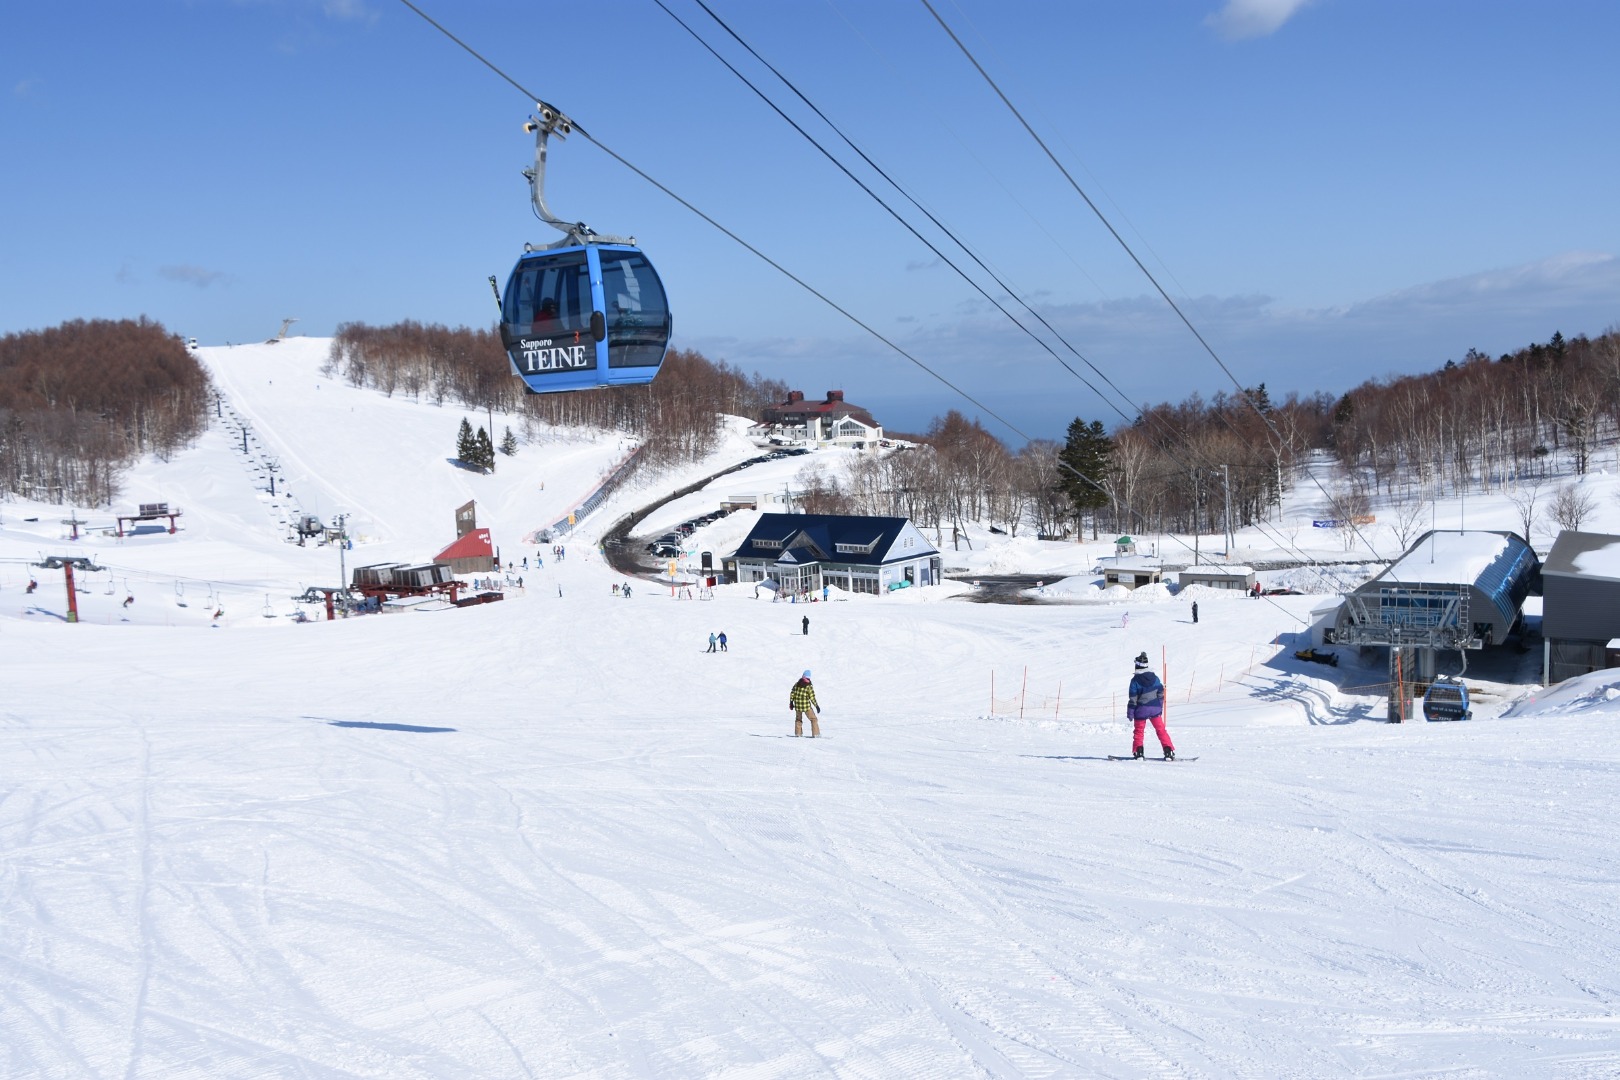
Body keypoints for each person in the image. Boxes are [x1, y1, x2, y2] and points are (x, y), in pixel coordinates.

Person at [1126, 651, 1175, 760]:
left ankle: (1138, 752)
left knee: (1139, 731)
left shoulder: (1134, 681)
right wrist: (1159, 706)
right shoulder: (1155, 678)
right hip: (1155, 709)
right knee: (1161, 730)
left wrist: (1130, 713)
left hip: (1141, 710)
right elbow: (1161, 693)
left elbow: (1133, 699)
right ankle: (1169, 751)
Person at [789, 670, 821, 737]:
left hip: (797, 706)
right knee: (814, 719)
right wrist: (816, 706)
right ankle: (816, 734)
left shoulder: (797, 684)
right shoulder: (808, 686)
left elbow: (792, 693)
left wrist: (791, 702)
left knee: (798, 720)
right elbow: (812, 697)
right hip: (806, 706)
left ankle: (798, 734)